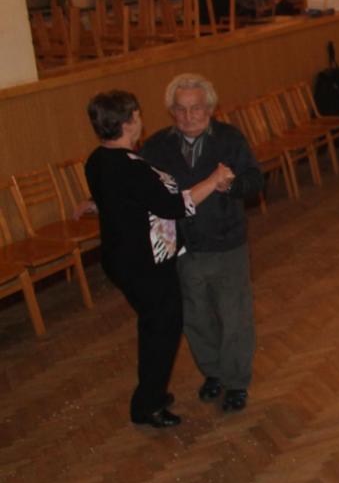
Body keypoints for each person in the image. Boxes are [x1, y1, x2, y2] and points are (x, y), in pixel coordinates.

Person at [83, 91, 233, 429]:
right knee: (161, 331)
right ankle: (148, 405)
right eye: (137, 116)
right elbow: (174, 206)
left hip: (123, 258)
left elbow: (120, 199)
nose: (141, 121)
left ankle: (150, 397)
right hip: (145, 264)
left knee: (155, 326)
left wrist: (94, 204)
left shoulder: (97, 159)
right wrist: (213, 180)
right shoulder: (130, 167)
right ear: (127, 122)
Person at [141, 74, 263, 414]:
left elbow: (255, 181)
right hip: (183, 247)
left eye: (195, 108)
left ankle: (236, 381)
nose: (188, 116)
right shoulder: (157, 146)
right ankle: (213, 372)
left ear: (210, 108)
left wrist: (233, 186)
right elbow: (138, 185)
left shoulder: (230, 139)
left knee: (234, 316)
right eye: (180, 109)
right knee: (195, 316)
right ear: (171, 111)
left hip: (226, 244)